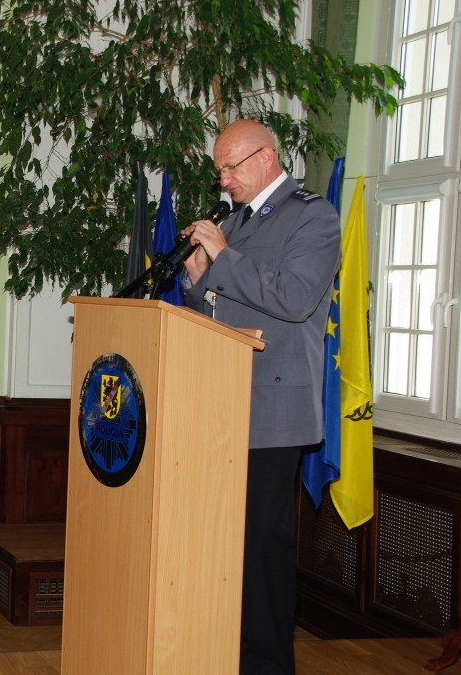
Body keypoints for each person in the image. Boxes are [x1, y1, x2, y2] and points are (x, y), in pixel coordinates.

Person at [181, 119, 341, 674]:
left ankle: (269, 667)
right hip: (225, 403)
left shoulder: (311, 215)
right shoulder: (239, 221)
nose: (223, 179)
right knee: (229, 547)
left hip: (273, 409)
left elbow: (294, 300)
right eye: (220, 168)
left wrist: (222, 257)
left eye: (231, 167)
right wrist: (198, 279)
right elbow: (224, 307)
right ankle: (229, 654)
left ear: (266, 157)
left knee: (263, 551)